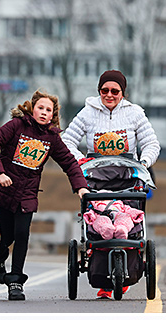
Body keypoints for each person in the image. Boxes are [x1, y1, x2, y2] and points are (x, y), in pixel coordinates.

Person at [0, 90, 89, 300]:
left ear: (52, 116)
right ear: (32, 109)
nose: (43, 112)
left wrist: (81, 187)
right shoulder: (16, 126)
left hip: (27, 195)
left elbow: (69, 163)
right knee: (8, 236)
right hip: (4, 190)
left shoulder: (52, 139)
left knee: (22, 234)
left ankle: (15, 281)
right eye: (40, 107)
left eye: (48, 110)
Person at [61, 70, 160, 298]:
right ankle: (102, 274)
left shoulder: (135, 114)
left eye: (115, 91)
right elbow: (67, 140)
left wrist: (143, 162)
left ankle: (127, 267)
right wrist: (80, 160)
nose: (109, 95)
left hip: (127, 176)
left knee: (128, 220)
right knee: (99, 220)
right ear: (99, 91)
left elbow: (151, 143)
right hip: (96, 177)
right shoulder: (87, 113)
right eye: (104, 90)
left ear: (122, 93)